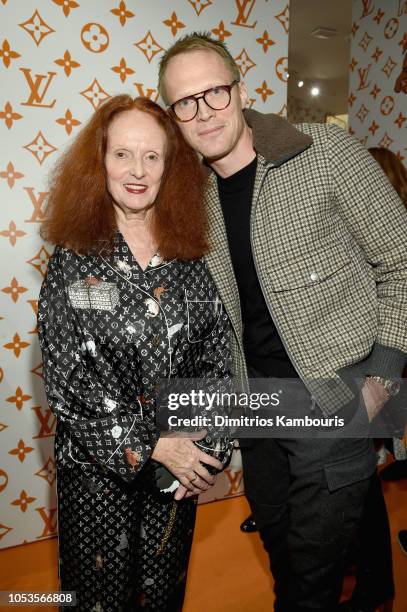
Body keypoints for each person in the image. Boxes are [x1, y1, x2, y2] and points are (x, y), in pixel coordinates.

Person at [157, 33, 407, 612]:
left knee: (313, 573)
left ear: (240, 91)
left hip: (336, 395)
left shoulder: (325, 151)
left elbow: (400, 261)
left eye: (214, 92)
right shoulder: (191, 195)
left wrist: (381, 381)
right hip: (256, 406)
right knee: (278, 544)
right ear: (174, 116)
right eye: (184, 102)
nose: (203, 111)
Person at [37, 95, 233, 611]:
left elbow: (218, 359)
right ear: (98, 162)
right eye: (122, 154)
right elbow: (67, 378)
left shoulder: (192, 252)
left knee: (162, 591)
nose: (137, 170)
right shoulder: (74, 258)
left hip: (177, 469)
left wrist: (203, 451)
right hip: (96, 475)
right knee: (97, 597)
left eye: (152, 156)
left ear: (171, 167)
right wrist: (153, 442)